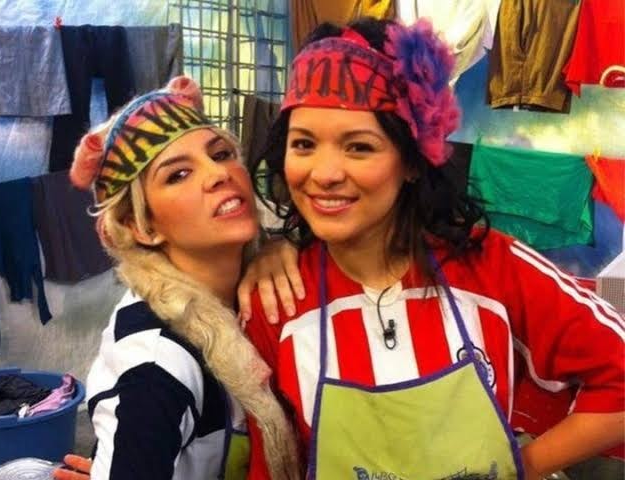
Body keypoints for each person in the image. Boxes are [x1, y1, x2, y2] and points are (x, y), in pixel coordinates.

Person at [243, 17, 625, 480]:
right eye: (303, 144)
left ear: (411, 160)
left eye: (359, 147)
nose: (324, 173)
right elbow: (271, 462)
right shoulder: (275, 301)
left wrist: (519, 468)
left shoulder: (493, 268)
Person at [54, 76, 301, 480]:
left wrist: (281, 247)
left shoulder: (275, 274)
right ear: (141, 227)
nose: (218, 173)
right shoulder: (156, 363)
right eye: (178, 174)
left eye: (221, 153)